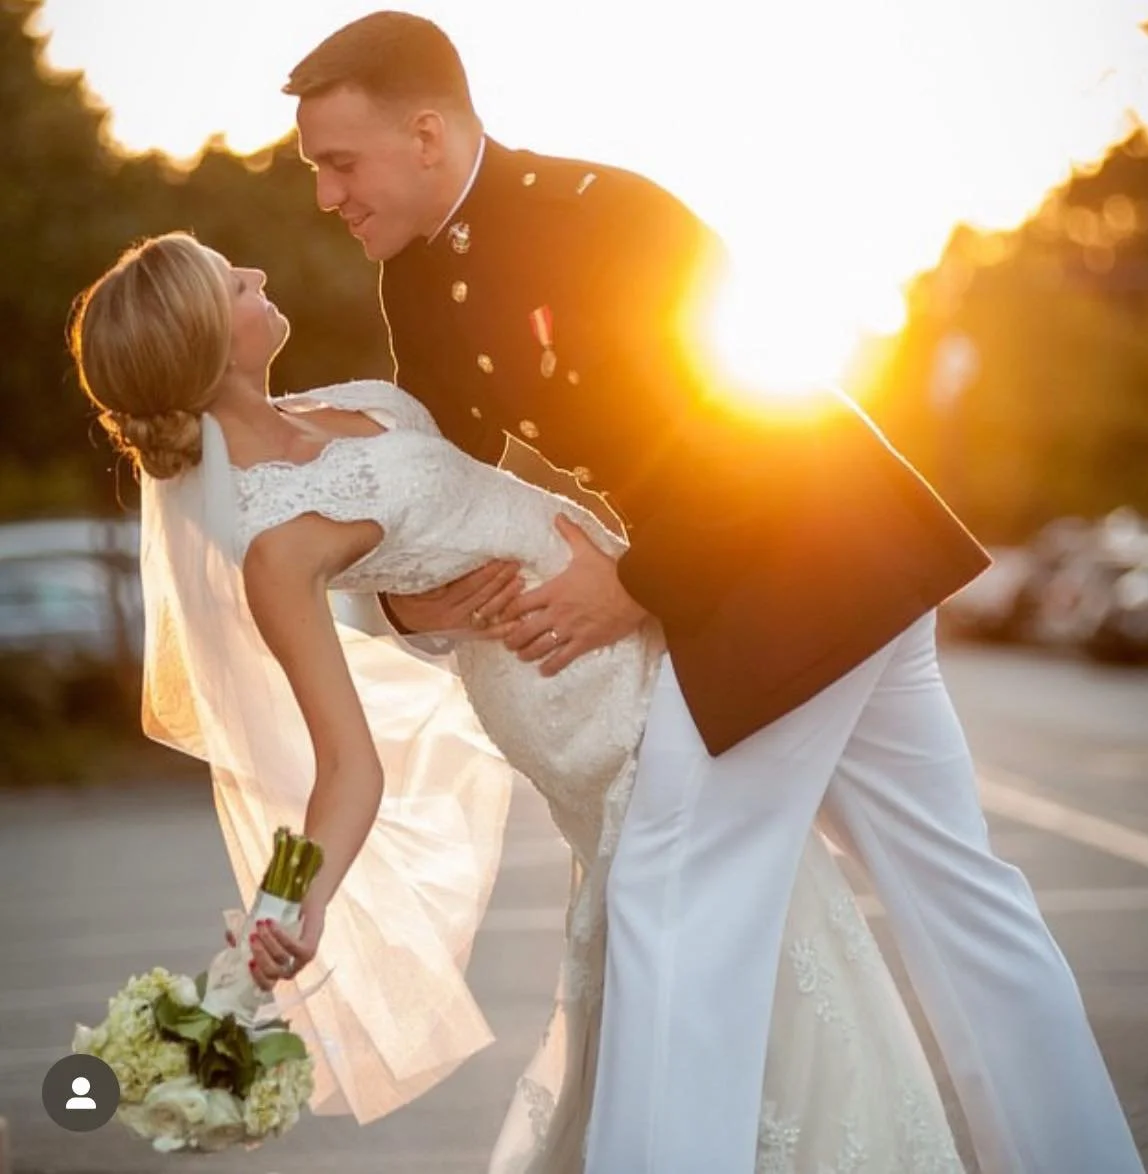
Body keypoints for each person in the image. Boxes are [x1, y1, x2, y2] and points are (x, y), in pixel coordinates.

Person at [280, 12, 1145, 1174]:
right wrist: (405, 604)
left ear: (426, 134)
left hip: (797, 557)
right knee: (955, 896)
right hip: (816, 566)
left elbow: (751, 418)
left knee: (671, 884)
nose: (327, 195)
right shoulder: (421, 279)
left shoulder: (608, 214)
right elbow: (446, 484)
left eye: (340, 163)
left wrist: (635, 583)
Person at [69, 231, 972, 1170]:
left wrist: (415, 603)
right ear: (208, 343)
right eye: (233, 283)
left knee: (746, 910)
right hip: (565, 684)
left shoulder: (328, 406)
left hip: (631, 631)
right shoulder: (272, 545)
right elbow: (345, 763)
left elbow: (441, 520)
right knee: (731, 913)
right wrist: (291, 905)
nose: (259, 273)